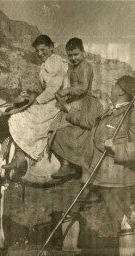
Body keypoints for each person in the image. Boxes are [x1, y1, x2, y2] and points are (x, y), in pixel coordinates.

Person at [3, 35, 68, 172]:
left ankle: (20, 158)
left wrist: (36, 101)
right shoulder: (47, 63)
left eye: (43, 50)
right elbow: (47, 89)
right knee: (20, 111)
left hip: (57, 103)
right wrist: (31, 96)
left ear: (51, 47)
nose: (39, 53)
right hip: (52, 100)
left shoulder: (54, 62)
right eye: (37, 51)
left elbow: (53, 88)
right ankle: (19, 156)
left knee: (18, 117)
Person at [82, 75, 135, 234]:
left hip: (117, 179)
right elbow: (89, 123)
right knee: (73, 207)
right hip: (97, 174)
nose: (111, 89)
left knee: (124, 222)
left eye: (114, 86)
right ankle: (69, 252)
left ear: (120, 91)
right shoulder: (110, 112)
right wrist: (69, 112)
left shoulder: (131, 114)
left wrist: (116, 148)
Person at [51, 37, 104, 178]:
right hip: (75, 101)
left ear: (83, 52)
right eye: (70, 55)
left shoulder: (86, 66)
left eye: (76, 54)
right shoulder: (72, 68)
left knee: (68, 131)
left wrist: (67, 91)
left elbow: (83, 87)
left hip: (84, 104)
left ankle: (68, 165)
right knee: (54, 125)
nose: (73, 58)